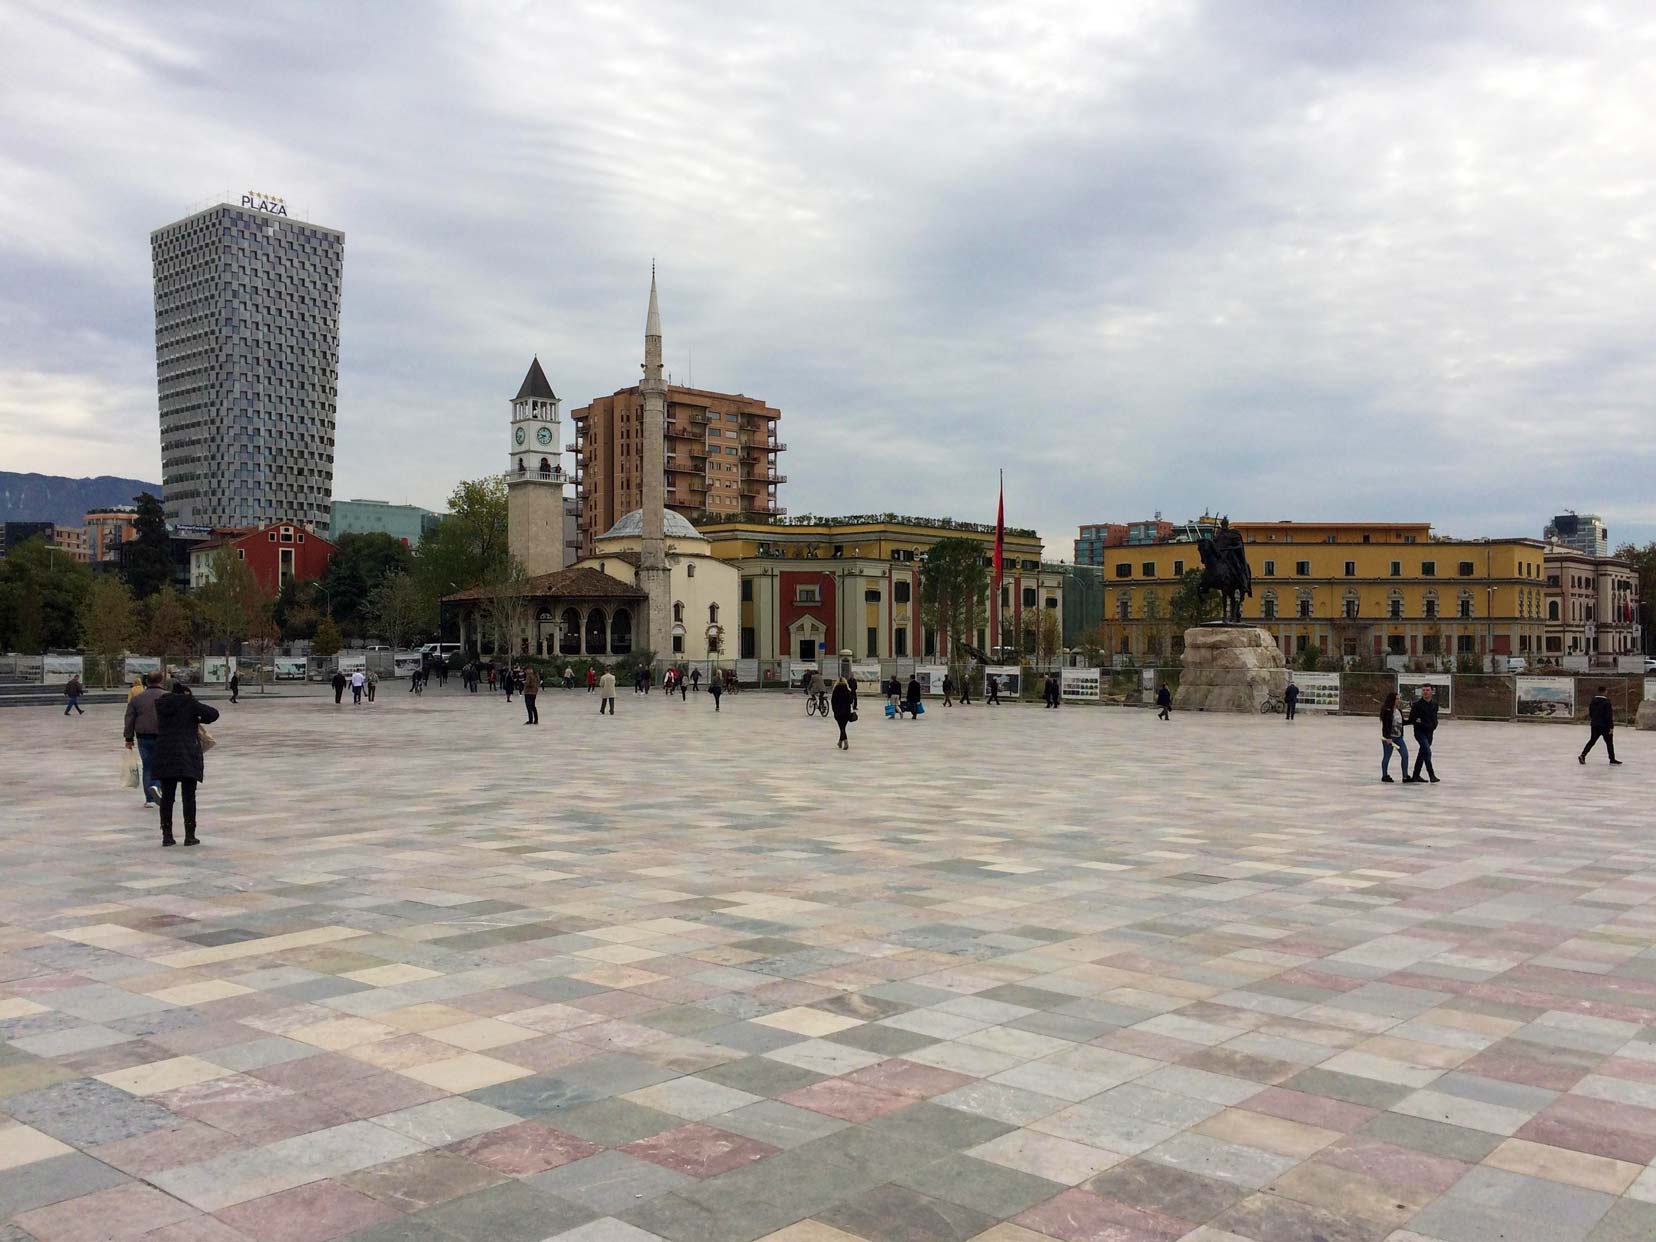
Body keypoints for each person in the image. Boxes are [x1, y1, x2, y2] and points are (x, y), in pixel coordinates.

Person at [153, 680, 219, 847]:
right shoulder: (189, 703)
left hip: (166, 752)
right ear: (186, 693)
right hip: (187, 753)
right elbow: (213, 714)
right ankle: (190, 835)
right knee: (189, 796)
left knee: (167, 796)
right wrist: (195, 712)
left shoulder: (161, 704)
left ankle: (167, 835)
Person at [124, 670, 166, 807]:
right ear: (161, 681)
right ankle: (157, 786)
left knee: (147, 766)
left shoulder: (137, 699)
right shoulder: (168, 697)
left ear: (147, 682)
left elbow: (129, 719)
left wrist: (128, 738)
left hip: (143, 736)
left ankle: (149, 799)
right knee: (163, 764)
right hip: (163, 735)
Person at [1580, 685, 1621, 765]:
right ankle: (1612, 759)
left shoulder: (1593, 700)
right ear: (1605, 691)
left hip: (1595, 724)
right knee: (1609, 743)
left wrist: (1594, 720)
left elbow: (1591, 712)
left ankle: (1583, 755)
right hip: (1605, 726)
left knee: (1592, 741)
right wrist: (1611, 727)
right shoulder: (1607, 702)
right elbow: (1608, 715)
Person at [1408, 685, 1440, 783]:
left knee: (1422, 753)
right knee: (1427, 751)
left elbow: (1434, 718)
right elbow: (1412, 719)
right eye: (1424, 690)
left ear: (1432, 692)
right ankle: (1431, 775)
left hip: (1429, 733)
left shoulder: (1434, 704)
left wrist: (1433, 726)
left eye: (1427, 690)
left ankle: (1415, 775)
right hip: (1420, 732)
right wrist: (1421, 723)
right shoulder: (1417, 705)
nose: (1425, 692)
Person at [1380, 690, 1411, 783]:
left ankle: (1405, 776)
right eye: (1397, 699)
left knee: (1405, 755)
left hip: (1398, 737)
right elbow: (1385, 726)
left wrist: (1413, 720)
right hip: (1389, 738)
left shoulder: (1399, 711)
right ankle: (1384, 775)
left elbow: (1402, 723)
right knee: (1387, 757)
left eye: (1398, 699)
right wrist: (1387, 737)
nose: (1398, 701)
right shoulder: (1387, 711)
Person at [831, 674, 854, 750]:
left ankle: (846, 741)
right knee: (843, 727)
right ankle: (840, 742)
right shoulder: (847, 691)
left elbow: (833, 702)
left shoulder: (835, 691)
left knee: (842, 728)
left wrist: (834, 710)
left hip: (838, 712)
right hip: (846, 711)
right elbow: (851, 701)